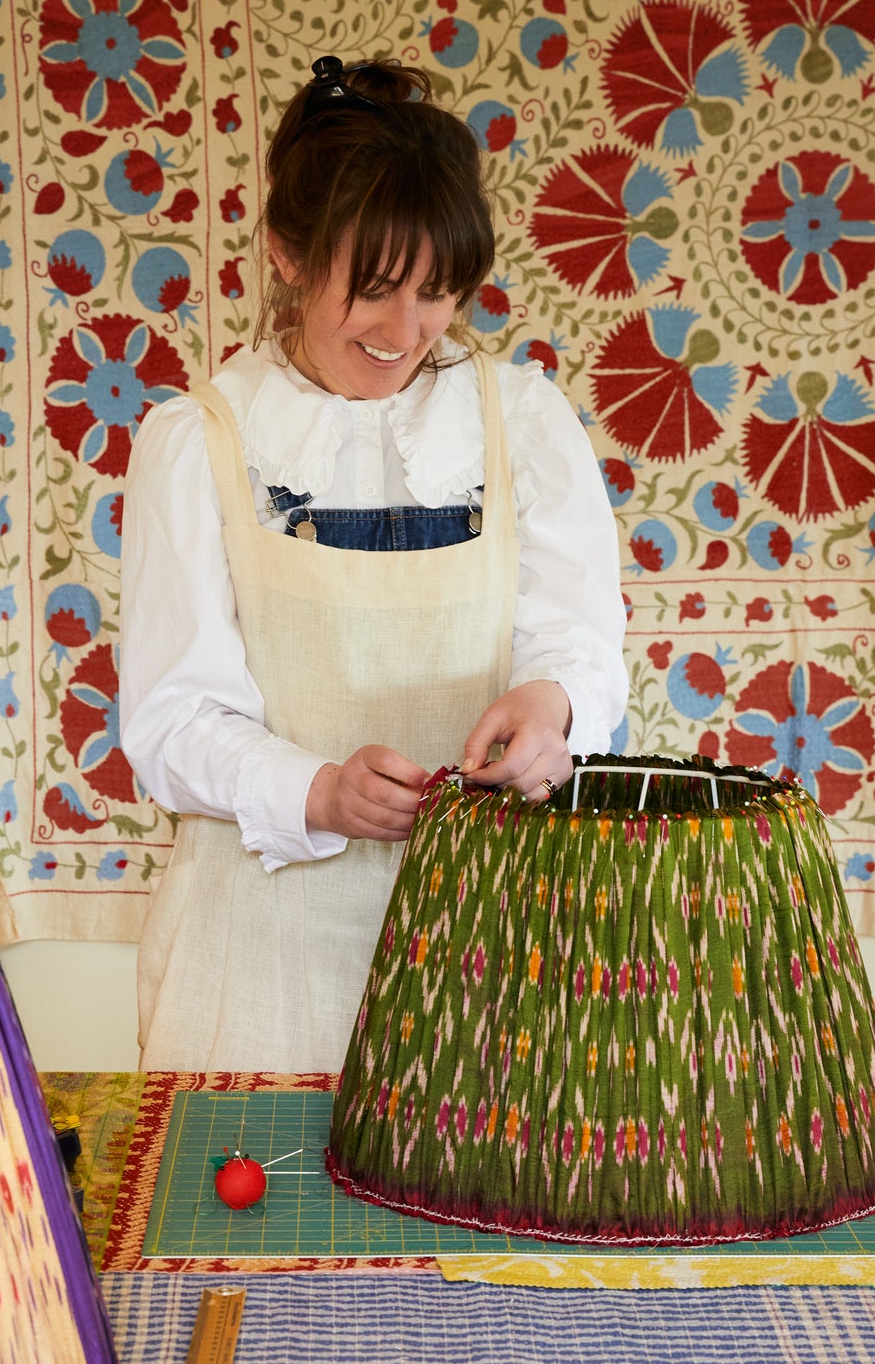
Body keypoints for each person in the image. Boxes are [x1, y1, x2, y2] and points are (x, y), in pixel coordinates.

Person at [119, 54, 628, 1074]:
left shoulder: (518, 422)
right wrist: (316, 792)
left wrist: (549, 708)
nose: (406, 332)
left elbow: (579, 644)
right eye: (376, 289)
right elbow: (168, 726)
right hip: (259, 962)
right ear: (288, 255)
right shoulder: (199, 440)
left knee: (486, 1220)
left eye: (437, 292)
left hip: (498, 952)